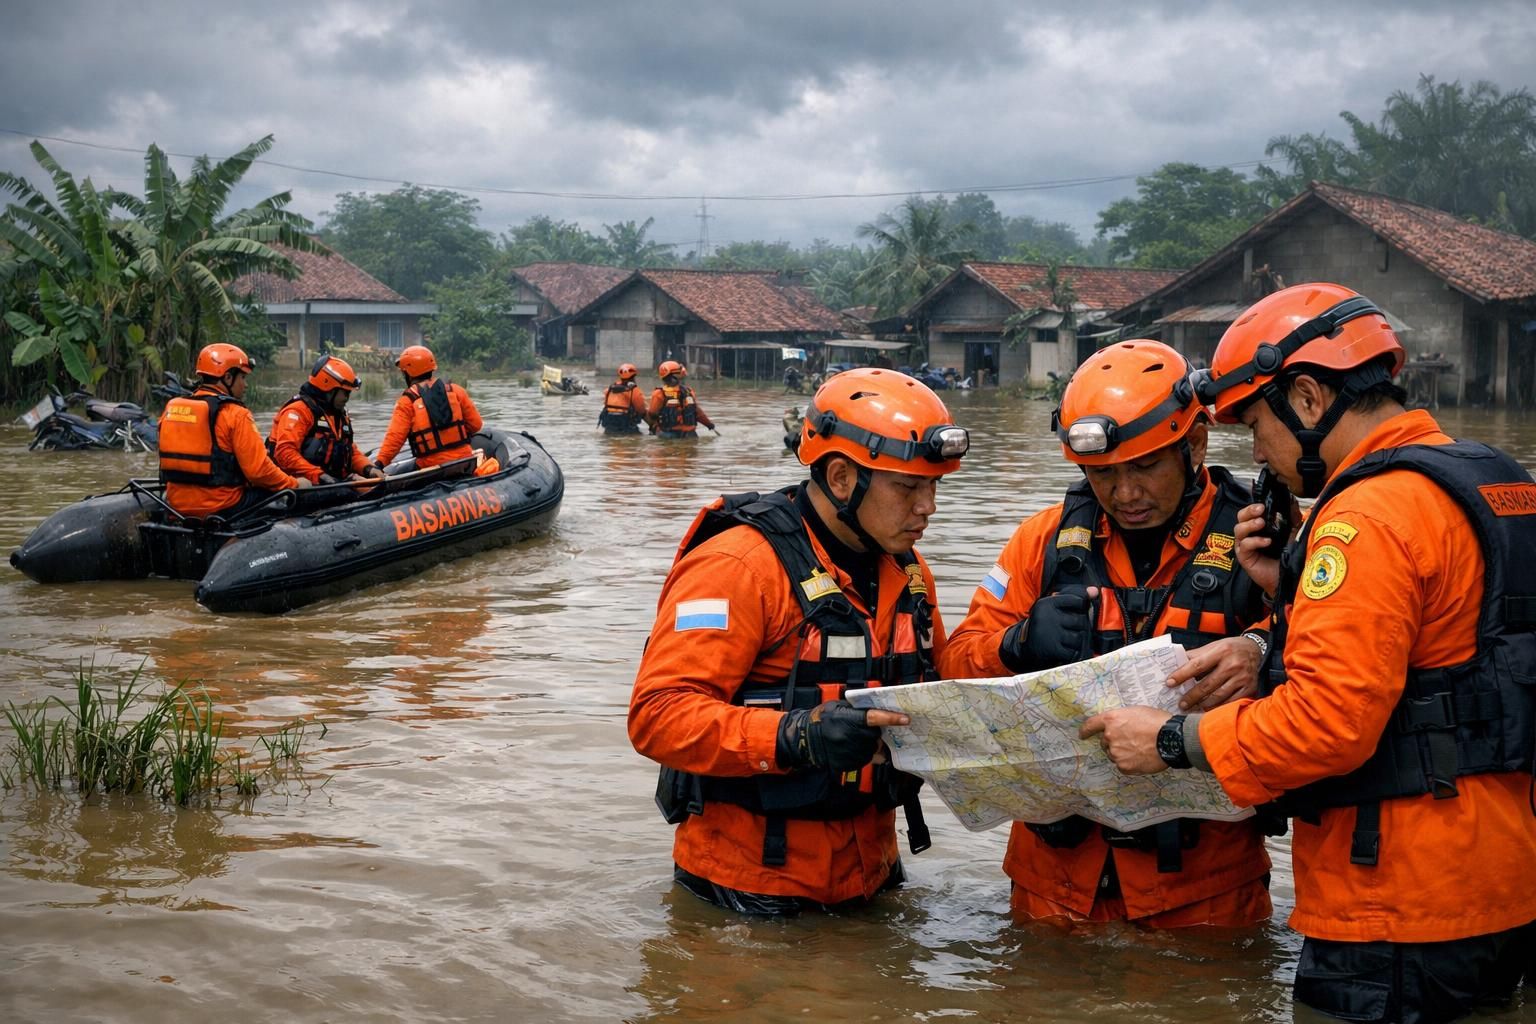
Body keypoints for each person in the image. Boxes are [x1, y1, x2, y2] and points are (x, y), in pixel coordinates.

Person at [1083, 283, 1536, 1022]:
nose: (1259, 452)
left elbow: (1328, 721)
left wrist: (1170, 739)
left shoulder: (1367, 514)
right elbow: (1454, 660)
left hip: (1397, 903)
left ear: (1308, 396)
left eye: (1258, 425)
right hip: (1506, 881)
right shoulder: (1498, 482)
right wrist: (1285, 596)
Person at [940, 339, 1274, 928]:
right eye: (1102, 473)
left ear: (1195, 444)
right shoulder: (1042, 540)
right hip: (1051, 881)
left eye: (1144, 467)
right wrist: (1015, 644)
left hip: (1204, 887)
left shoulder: (1261, 537)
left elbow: (1334, 662)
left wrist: (1259, 646)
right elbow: (954, 666)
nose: (1125, 493)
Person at [629, 368, 970, 914]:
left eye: (934, 486)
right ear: (841, 478)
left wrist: (1018, 651)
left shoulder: (908, 572)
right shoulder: (737, 565)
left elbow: (944, 684)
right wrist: (797, 736)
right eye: (908, 488)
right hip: (751, 887)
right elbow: (659, 715)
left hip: (874, 872)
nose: (927, 506)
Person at [158, 342, 308, 519]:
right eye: (242, 377)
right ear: (228, 378)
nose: (245, 385)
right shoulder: (235, 414)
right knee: (285, 498)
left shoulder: (171, 410)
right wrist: (293, 484)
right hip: (223, 505)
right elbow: (259, 471)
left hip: (176, 504)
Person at [267, 355, 384, 486]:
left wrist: (368, 468)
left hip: (332, 481)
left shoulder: (337, 415)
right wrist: (319, 475)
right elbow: (285, 453)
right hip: (302, 484)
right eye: (345, 393)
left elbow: (349, 451)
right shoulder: (298, 411)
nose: (347, 398)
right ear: (329, 388)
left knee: (378, 488)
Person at [375, 344, 489, 473]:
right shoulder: (456, 391)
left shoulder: (407, 402)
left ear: (409, 373)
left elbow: (395, 439)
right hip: (464, 461)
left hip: (430, 466)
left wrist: (379, 463)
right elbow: (476, 425)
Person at [647, 360, 716, 439]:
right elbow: (697, 412)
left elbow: (652, 413)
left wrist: (654, 426)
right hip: (690, 435)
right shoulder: (689, 392)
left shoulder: (659, 393)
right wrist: (709, 424)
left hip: (668, 434)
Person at [598, 363, 648, 435]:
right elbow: (641, 410)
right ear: (634, 377)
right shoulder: (634, 390)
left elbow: (606, 404)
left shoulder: (610, 389)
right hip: (626, 426)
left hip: (609, 425)